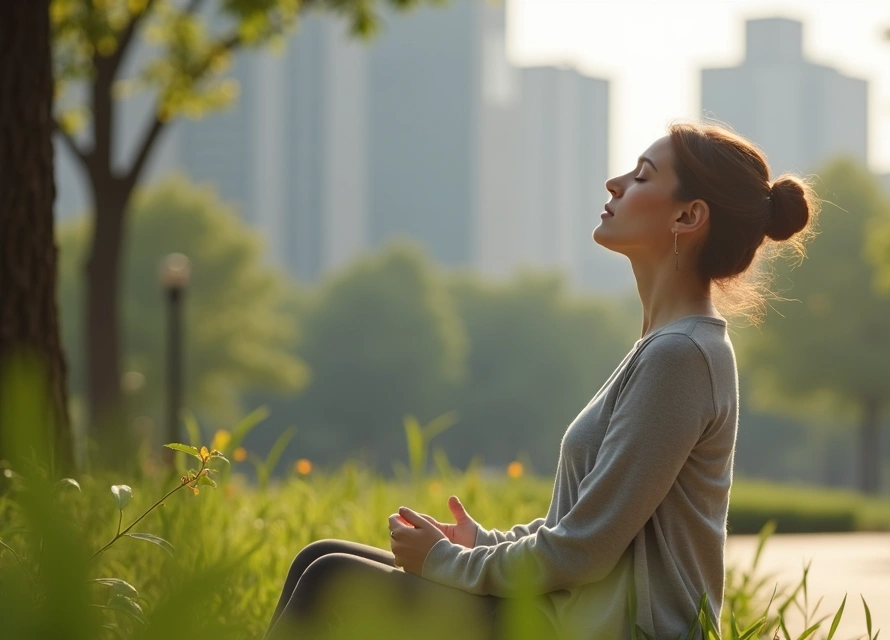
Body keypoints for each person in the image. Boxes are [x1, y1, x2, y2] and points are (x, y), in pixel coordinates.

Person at [264, 122, 820, 639]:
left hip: (619, 631)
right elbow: (587, 524)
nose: (615, 182)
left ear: (687, 217)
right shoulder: (666, 347)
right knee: (320, 556)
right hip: (573, 615)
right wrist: (481, 544)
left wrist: (446, 562)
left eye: (643, 176)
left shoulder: (681, 356)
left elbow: (581, 552)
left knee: (331, 578)